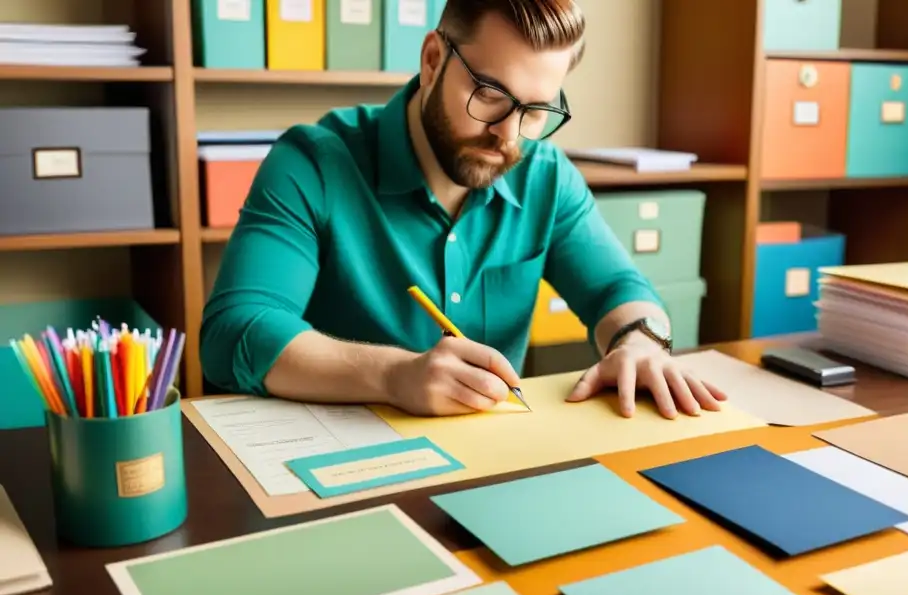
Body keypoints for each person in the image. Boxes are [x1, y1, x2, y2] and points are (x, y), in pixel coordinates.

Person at [199, 0, 726, 419]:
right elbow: (234, 332)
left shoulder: (546, 175)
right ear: (433, 61)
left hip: (489, 465)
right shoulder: (313, 162)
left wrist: (643, 344)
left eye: (537, 110)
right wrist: (392, 376)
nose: (508, 134)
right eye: (491, 93)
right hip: (334, 466)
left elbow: (622, 291)